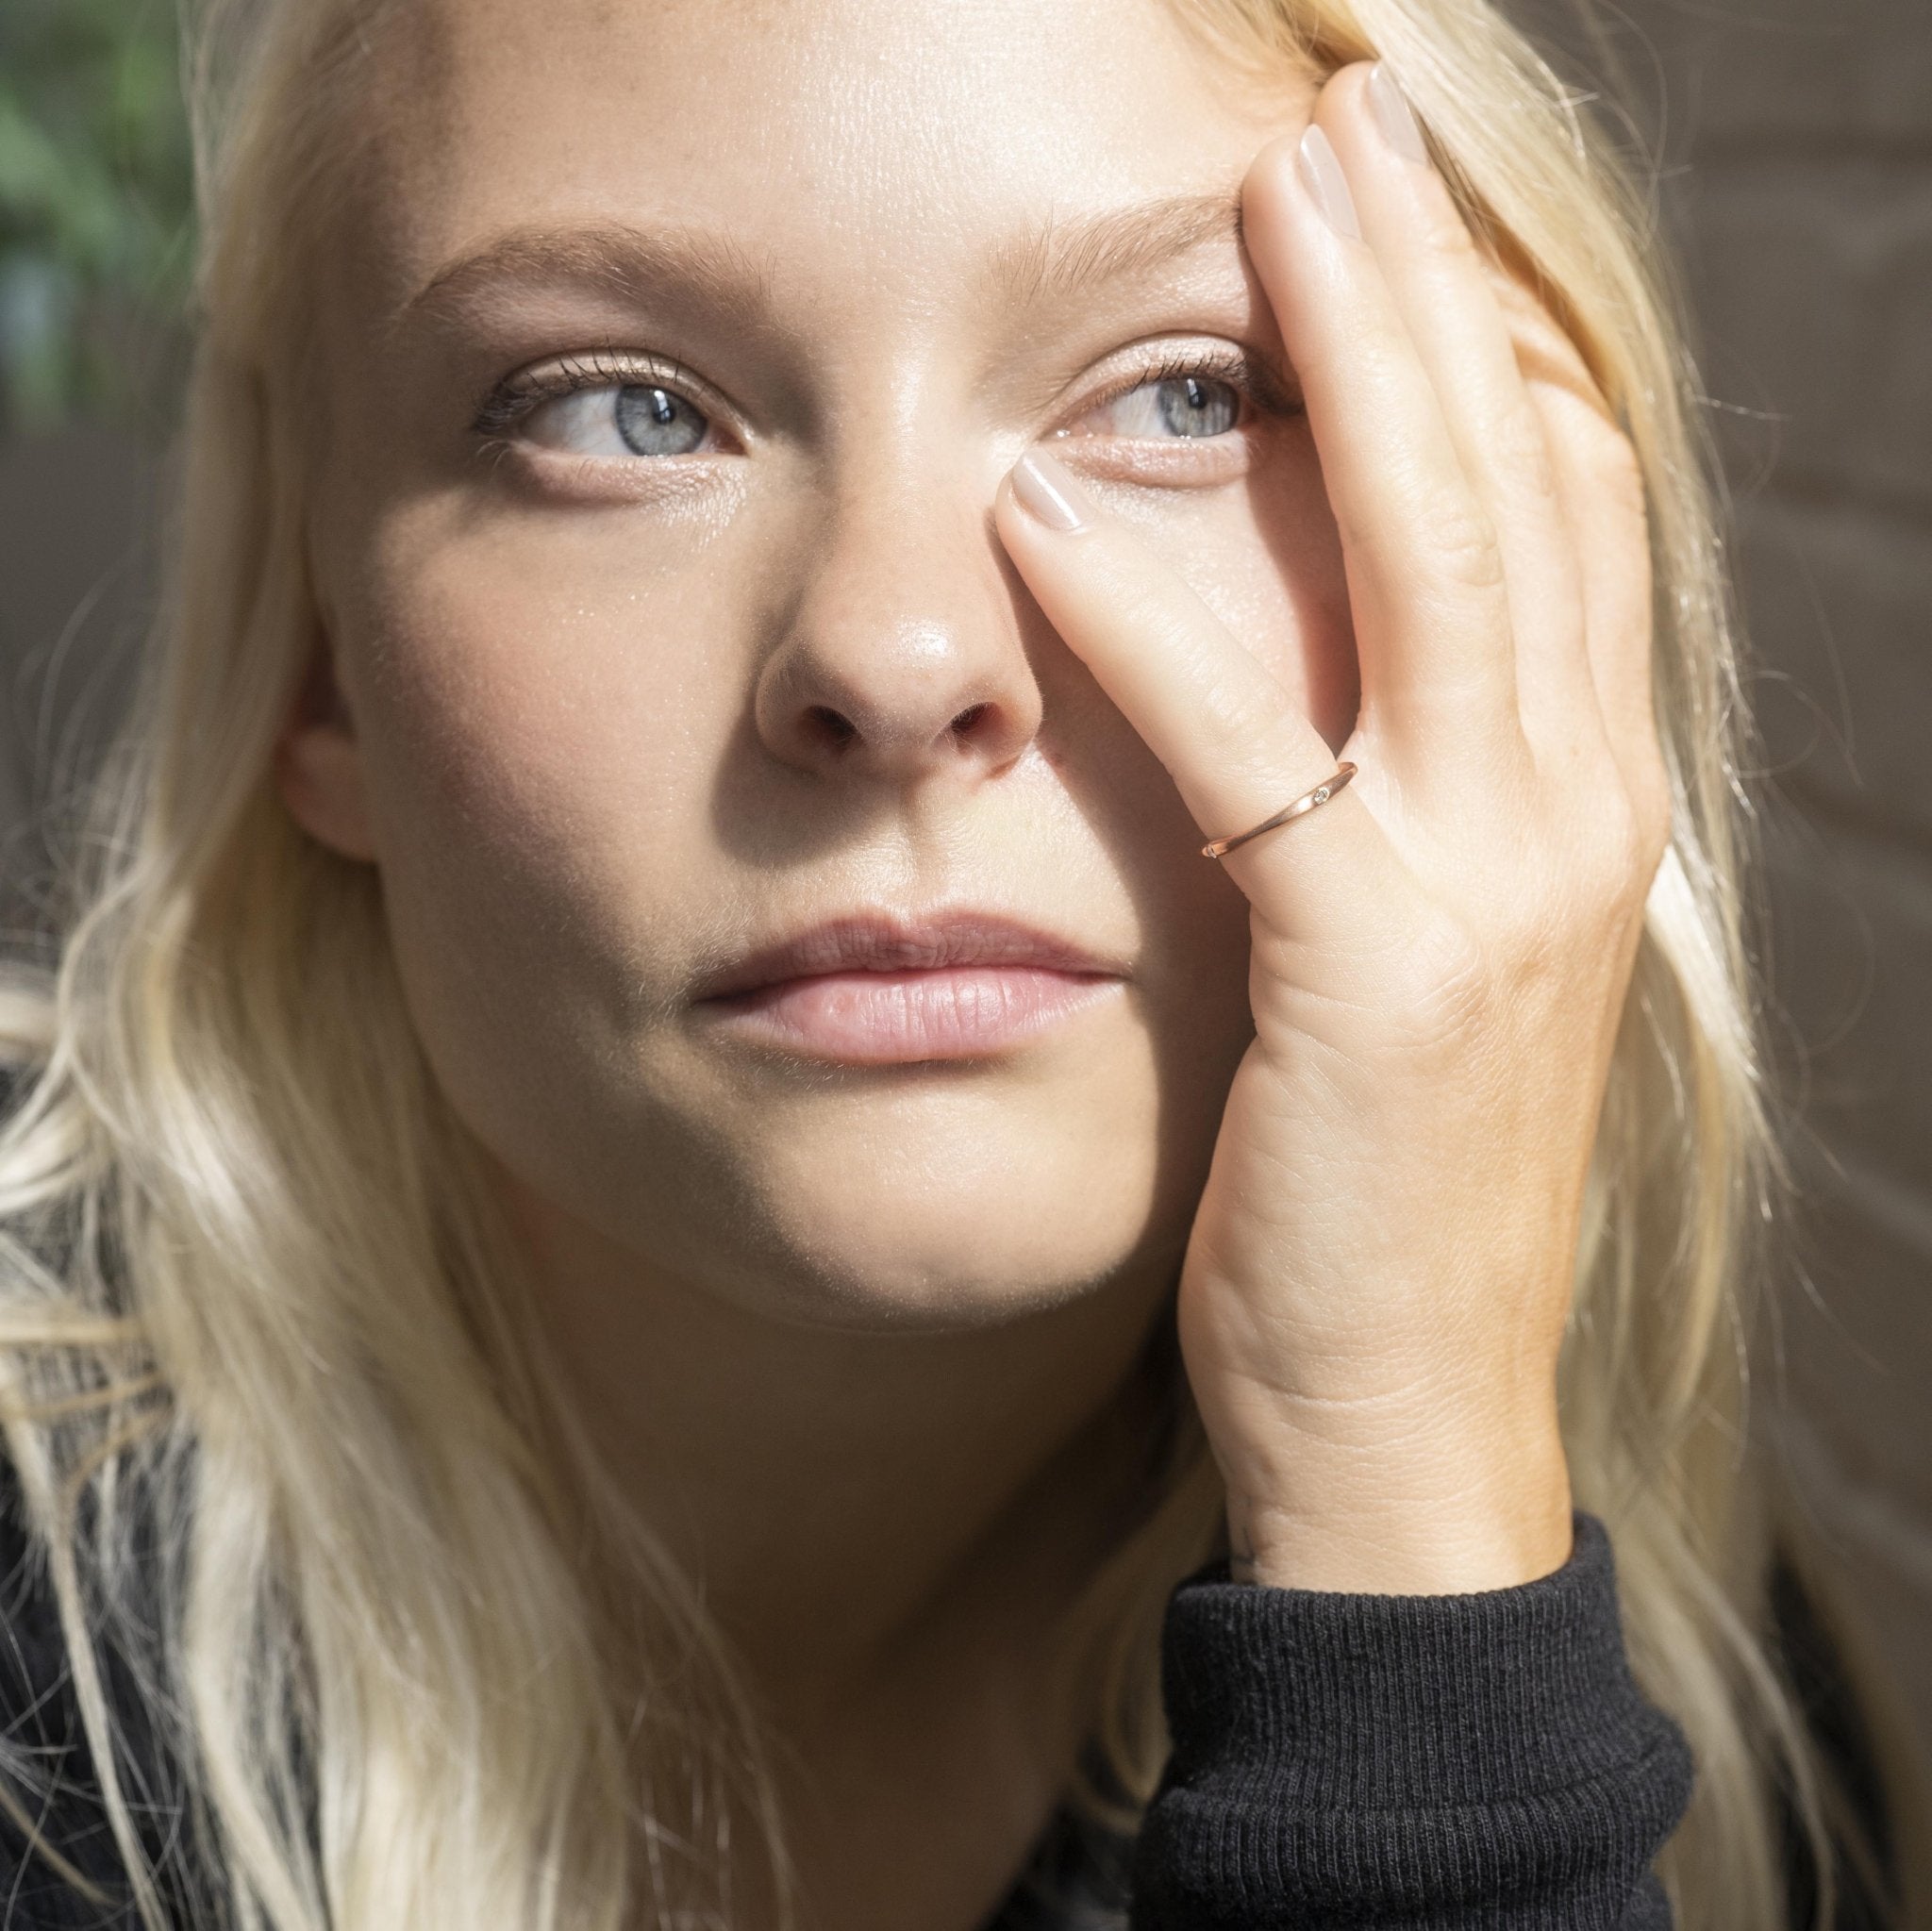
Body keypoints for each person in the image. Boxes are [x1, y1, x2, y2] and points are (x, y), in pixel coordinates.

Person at [0, 0, 1888, 1925]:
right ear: (318, 654)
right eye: (619, 409)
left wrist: (1402, 1545)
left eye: (1182, 393)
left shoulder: (1671, 1721)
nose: (897, 659)